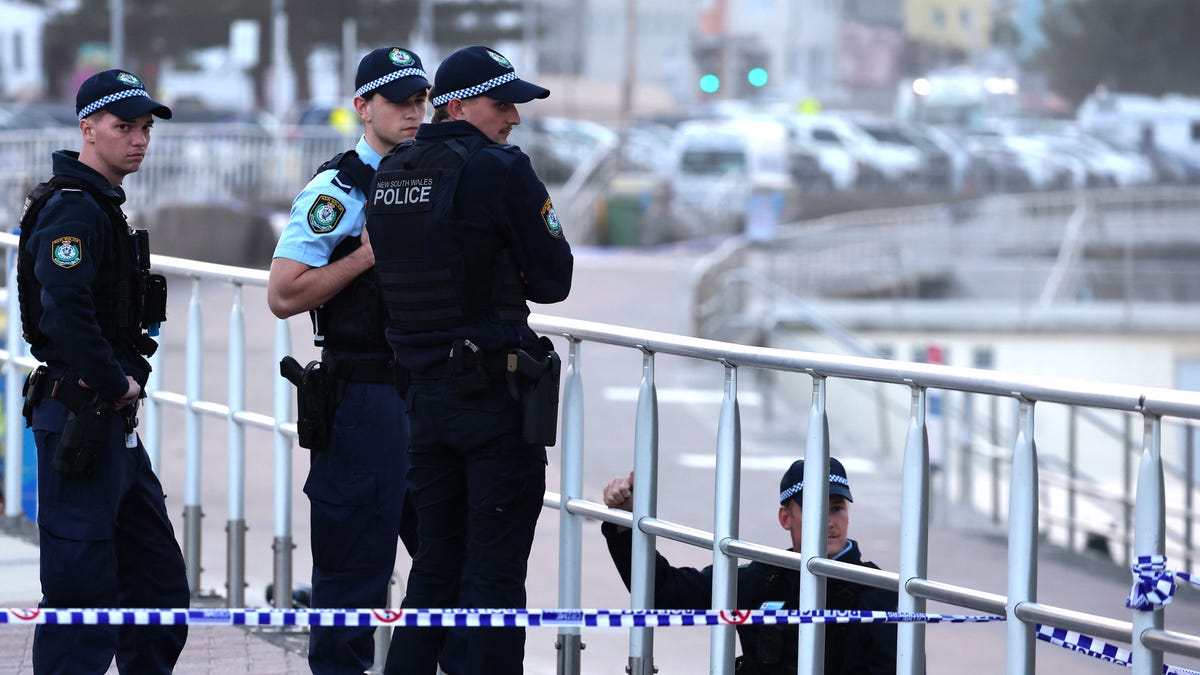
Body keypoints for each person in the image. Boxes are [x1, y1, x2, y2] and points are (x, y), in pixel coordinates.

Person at [368, 45, 573, 675]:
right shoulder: (501, 169)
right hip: (493, 405)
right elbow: (554, 277)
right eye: (501, 103)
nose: (513, 118)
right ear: (458, 103)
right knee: (494, 579)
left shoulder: (392, 170)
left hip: (423, 403)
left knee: (434, 570)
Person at [17, 69, 188, 674]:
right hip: (81, 420)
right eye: (125, 127)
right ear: (88, 128)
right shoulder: (74, 210)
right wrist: (116, 383)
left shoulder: (100, 206)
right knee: (81, 595)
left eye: (145, 128)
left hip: (107, 425)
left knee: (158, 587)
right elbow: (65, 313)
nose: (139, 139)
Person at [267, 46, 430, 675]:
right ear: (363, 107)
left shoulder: (435, 177)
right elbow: (282, 294)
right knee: (353, 573)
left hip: (431, 395)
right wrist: (364, 256)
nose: (414, 112)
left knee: (451, 565)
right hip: (363, 398)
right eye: (398, 101)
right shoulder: (336, 193)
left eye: (421, 100)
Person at [601, 457, 898, 674]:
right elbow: (666, 593)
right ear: (786, 518)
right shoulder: (763, 578)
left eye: (837, 508)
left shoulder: (878, 592)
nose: (830, 522)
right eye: (816, 508)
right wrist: (625, 525)